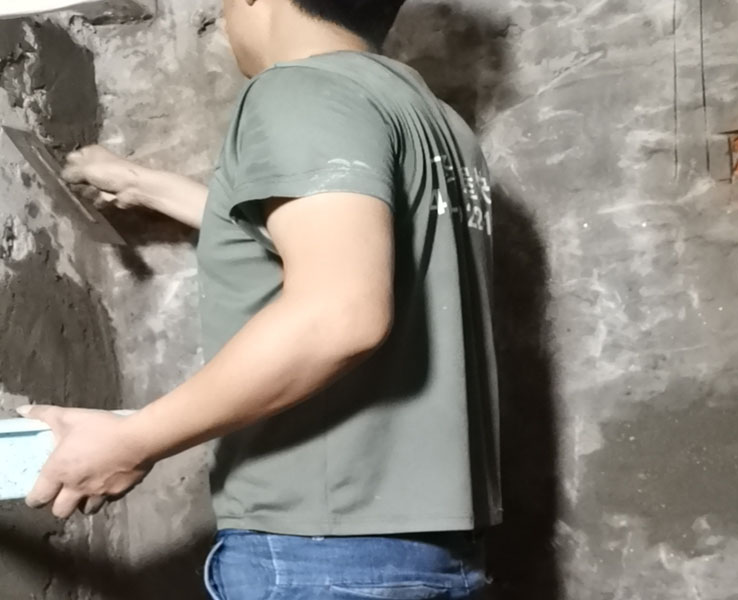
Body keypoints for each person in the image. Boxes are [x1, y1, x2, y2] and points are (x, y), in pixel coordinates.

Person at [19, 0, 501, 597]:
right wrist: (146, 185)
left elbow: (339, 315)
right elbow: (332, 236)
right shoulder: (433, 119)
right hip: (430, 545)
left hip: (326, 551)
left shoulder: (302, 89)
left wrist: (132, 442)